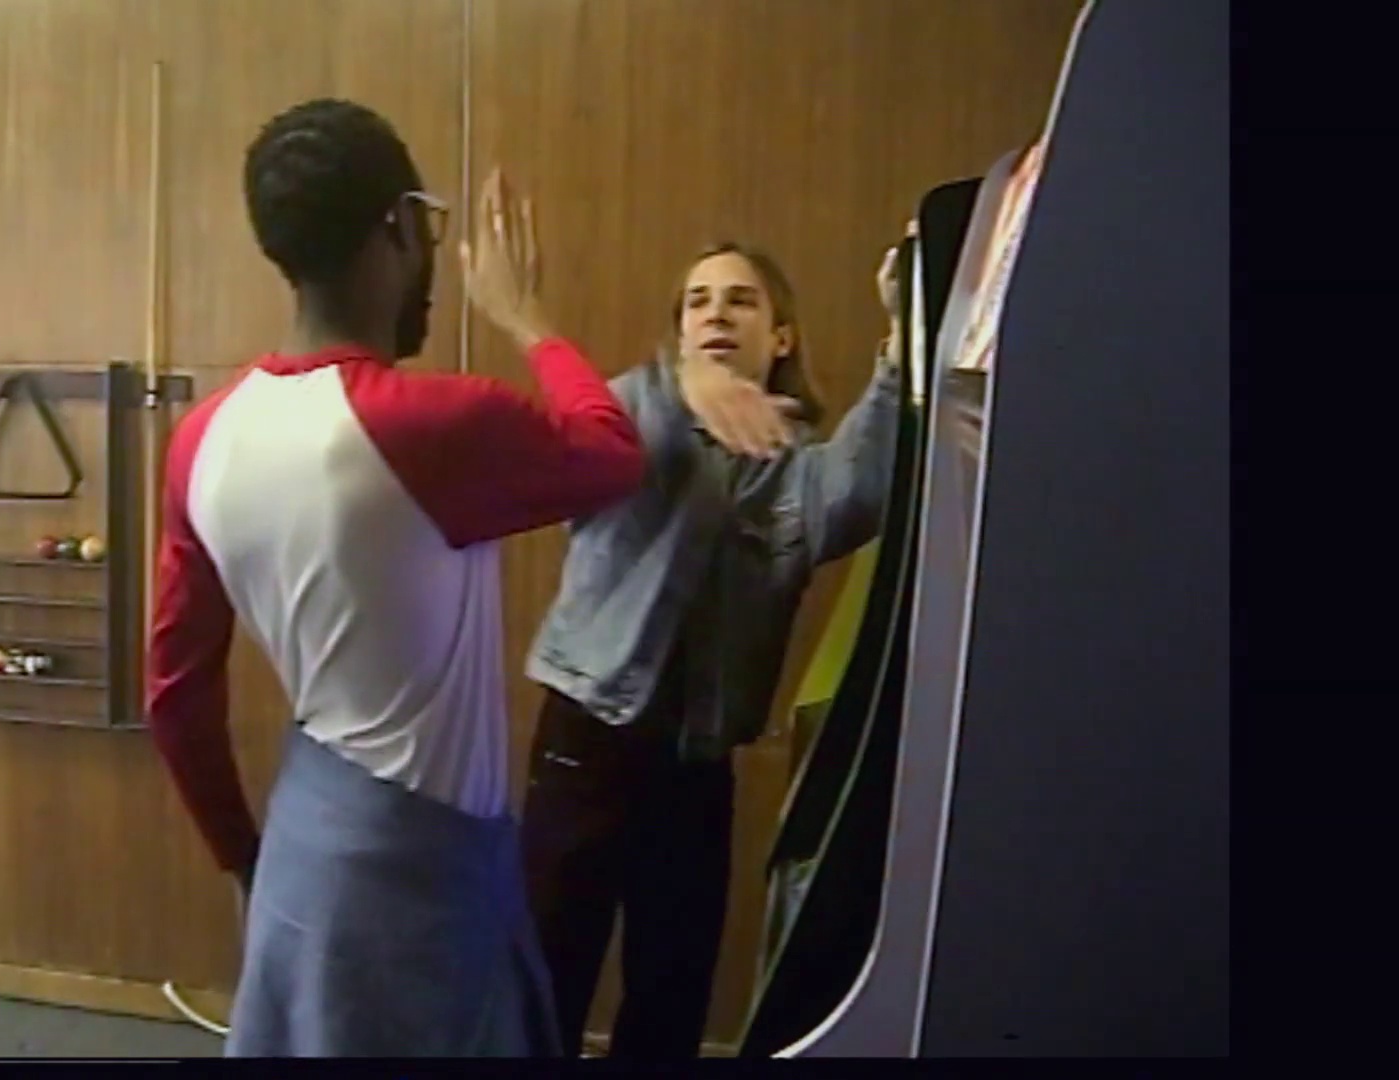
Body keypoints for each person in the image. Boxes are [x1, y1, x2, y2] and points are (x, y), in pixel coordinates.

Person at [143, 98, 648, 1057]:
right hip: (417, 878)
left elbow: (175, 697)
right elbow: (612, 455)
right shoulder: (434, 422)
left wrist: (245, 858)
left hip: (306, 843)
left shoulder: (202, 440)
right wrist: (528, 319)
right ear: (402, 227)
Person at [517, 239, 905, 1058]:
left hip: (695, 767)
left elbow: (864, 487)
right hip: (586, 745)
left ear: (781, 337)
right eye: (698, 302)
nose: (717, 313)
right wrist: (684, 381)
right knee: (544, 979)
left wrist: (902, 337)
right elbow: (604, 438)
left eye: (740, 299)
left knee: (672, 995)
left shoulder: (797, 472)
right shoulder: (629, 407)